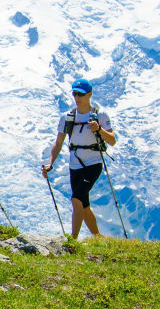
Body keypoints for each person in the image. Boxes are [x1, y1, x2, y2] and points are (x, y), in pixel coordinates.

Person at [41, 78, 116, 238]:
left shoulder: (100, 115)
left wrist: (99, 129)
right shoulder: (67, 117)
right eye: (74, 93)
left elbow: (112, 140)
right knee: (84, 203)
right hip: (75, 165)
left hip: (93, 164)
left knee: (76, 199)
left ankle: (73, 240)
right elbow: (59, 142)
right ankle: (97, 236)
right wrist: (50, 163)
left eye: (80, 94)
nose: (77, 97)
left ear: (89, 94)